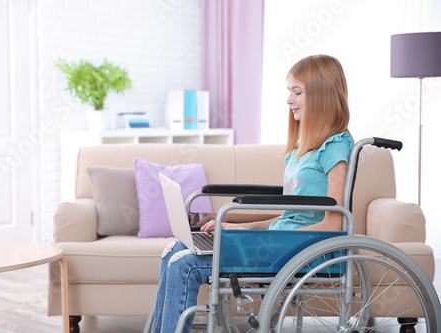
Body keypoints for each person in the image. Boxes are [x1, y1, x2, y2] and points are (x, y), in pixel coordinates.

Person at [151, 54, 353, 333]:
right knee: (172, 250)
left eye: (297, 92)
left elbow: (334, 222)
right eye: (289, 92)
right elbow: (289, 214)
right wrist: (239, 225)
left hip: (300, 249)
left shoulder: (335, 146)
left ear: (321, 95)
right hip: (280, 242)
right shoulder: (302, 151)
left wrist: (259, 233)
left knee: (184, 264)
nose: (289, 100)